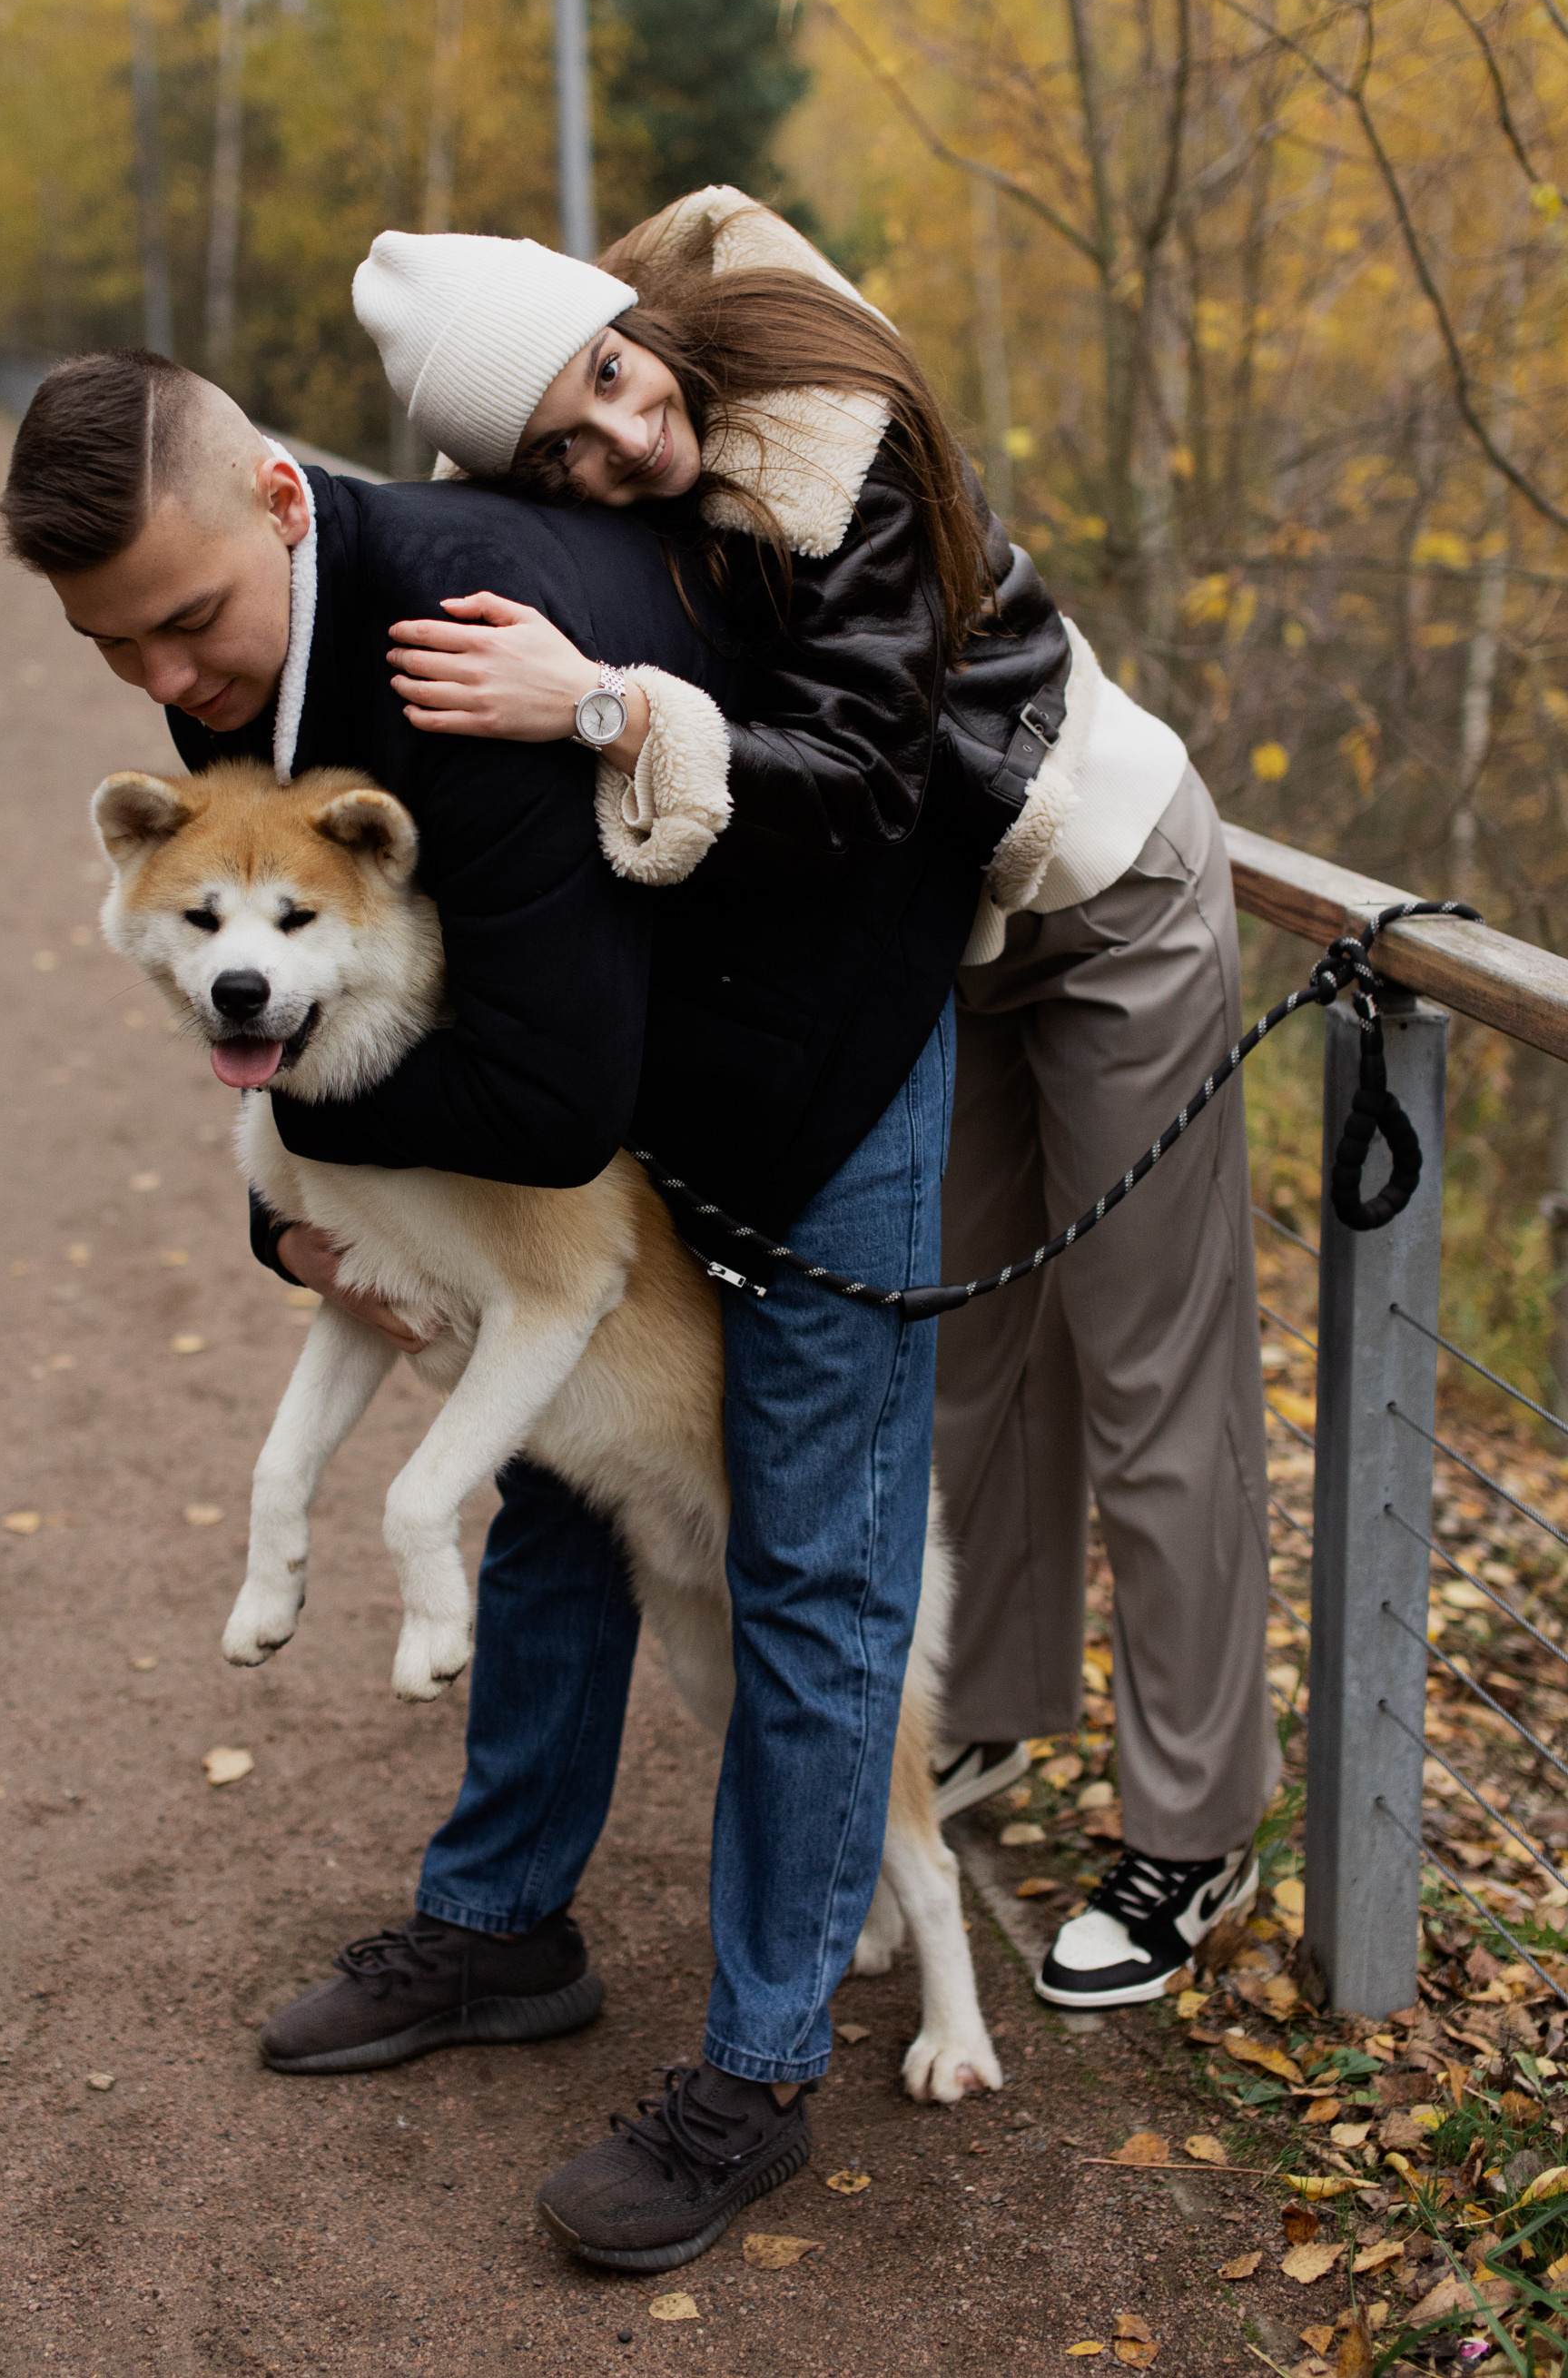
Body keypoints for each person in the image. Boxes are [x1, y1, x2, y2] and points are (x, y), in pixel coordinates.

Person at [0, 295, 980, 2275]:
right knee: (546, 1498)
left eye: (188, 619)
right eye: (119, 647)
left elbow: (534, 1113)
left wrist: (315, 1183)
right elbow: (326, 1044)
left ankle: (763, 2067)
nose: (169, 679)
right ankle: (504, 1927)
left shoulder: (453, 641)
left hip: (823, 1041)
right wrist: (288, 1222)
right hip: (633, 1052)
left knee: (800, 1554)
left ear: (281, 501)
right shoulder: (240, 664)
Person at [365, 185, 1278, 2015]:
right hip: (940, 945)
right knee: (967, 1351)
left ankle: (1194, 1831)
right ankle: (991, 1722)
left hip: (1098, 881)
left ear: (631, 322)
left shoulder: (820, 439)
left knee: (1147, 1367)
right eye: (565, 443)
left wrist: (601, 710)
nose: (625, 434)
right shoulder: (638, 493)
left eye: (615, 376)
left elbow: (857, 771)